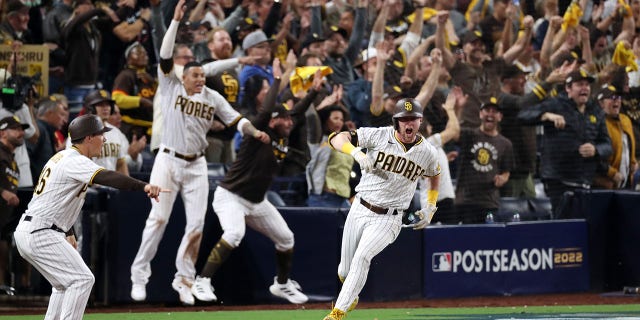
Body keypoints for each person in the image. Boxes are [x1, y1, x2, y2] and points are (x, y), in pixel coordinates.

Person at [129, 0, 269, 306]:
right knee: (159, 219)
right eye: (196, 76)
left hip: (196, 165)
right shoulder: (170, 86)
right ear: (185, 76)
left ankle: (185, 280)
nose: (201, 79)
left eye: (202, 76)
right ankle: (139, 275)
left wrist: (253, 131)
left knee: (196, 226)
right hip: (167, 160)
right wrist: (176, 23)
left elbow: (236, 118)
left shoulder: (212, 97)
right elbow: (165, 55)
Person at [13, 114, 163, 320]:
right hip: (41, 231)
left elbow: (55, 199)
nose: (105, 139)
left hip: (34, 229)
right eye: (101, 135)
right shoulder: (75, 160)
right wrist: (143, 185)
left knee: (62, 284)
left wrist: (68, 230)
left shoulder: (63, 158)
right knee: (82, 280)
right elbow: (108, 177)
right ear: (89, 138)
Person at [189, 60, 309, 305]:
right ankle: (201, 280)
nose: (290, 122)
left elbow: (297, 113)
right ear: (274, 120)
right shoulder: (258, 132)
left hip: (256, 201)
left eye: (290, 119)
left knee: (286, 239)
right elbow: (265, 111)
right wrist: (276, 80)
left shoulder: (282, 135)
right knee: (234, 233)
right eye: (284, 119)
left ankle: (282, 284)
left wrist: (314, 91)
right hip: (231, 195)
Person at [323, 98, 441, 320]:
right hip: (359, 208)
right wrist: (355, 152)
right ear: (396, 121)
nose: (409, 123)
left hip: (389, 218)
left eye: (413, 119)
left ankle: (337, 313)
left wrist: (431, 205)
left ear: (420, 121)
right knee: (344, 272)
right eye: (404, 119)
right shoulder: (378, 135)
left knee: (363, 256)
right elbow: (337, 138)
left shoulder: (427, 151)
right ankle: (351, 293)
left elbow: (434, 176)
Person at [518, 70, 612, 218]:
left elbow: (607, 144)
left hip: (585, 182)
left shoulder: (595, 110)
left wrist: (596, 149)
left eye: (587, 85)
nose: (585, 88)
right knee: (561, 227)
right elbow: (522, 115)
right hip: (558, 181)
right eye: (579, 84)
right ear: (568, 88)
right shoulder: (555, 104)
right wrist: (545, 115)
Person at [453, 97, 514, 224]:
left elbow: (506, 172)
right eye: (487, 110)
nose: (490, 114)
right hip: (466, 202)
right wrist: (458, 109)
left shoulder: (506, 144)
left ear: (500, 117)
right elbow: (453, 132)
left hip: (489, 203)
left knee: (489, 243)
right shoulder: (469, 135)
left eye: (494, 111)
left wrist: (502, 178)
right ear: (481, 114)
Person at [0, 116, 29, 293]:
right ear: (2, 132)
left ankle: (4, 284)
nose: (21, 133)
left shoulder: (11, 157)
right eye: (16, 129)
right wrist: (2, 191)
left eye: (22, 129)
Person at [593, 84, 638, 189]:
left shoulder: (625, 120)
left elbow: (629, 145)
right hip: (604, 182)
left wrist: (633, 162)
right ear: (601, 103)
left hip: (625, 181)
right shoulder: (596, 122)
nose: (616, 101)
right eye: (612, 98)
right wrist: (612, 173)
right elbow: (594, 156)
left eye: (618, 97)